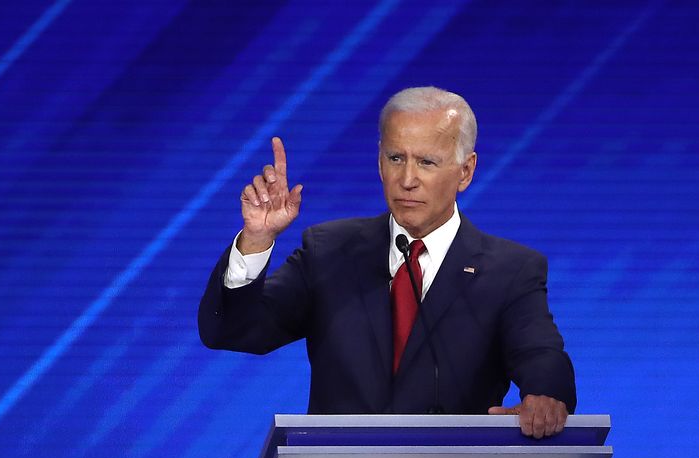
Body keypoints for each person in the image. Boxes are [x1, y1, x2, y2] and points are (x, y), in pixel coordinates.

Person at [199, 86, 576, 438]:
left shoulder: (509, 271)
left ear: (466, 170)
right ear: (380, 162)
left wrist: (545, 396)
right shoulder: (330, 252)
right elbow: (231, 330)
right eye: (396, 158)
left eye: (427, 162)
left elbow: (540, 355)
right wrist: (257, 239)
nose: (407, 179)